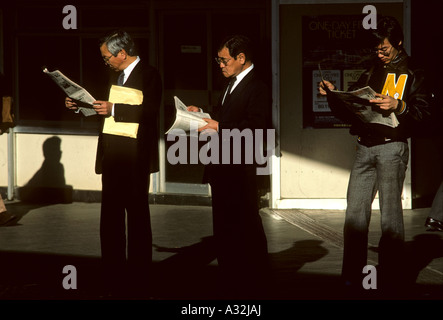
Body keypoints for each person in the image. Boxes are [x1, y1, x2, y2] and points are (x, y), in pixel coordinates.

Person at [319, 16, 432, 295]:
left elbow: (426, 114)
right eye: (377, 49)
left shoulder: (414, 70)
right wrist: (335, 97)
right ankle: (351, 278)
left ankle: (392, 279)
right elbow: (353, 109)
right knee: (354, 216)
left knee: (390, 218)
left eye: (385, 49)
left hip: (391, 147)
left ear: (399, 43)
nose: (380, 54)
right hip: (364, 146)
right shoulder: (371, 69)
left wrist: (399, 104)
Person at [65, 30, 162, 297]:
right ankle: (112, 272)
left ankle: (140, 276)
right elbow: (98, 106)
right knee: (110, 219)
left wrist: (115, 110)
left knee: (138, 218)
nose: (105, 61)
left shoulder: (150, 74)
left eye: (107, 56)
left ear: (122, 53)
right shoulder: (111, 75)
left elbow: (152, 110)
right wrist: (77, 105)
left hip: (135, 158)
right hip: (112, 156)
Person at [187, 35, 271, 298]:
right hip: (223, 165)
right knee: (224, 225)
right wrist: (202, 113)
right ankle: (230, 277)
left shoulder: (257, 86)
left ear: (241, 58)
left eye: (224, 60)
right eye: (219, 60)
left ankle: (255, 279)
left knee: (246, 222)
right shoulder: (231, 84)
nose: (220, 65)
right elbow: (228, 115)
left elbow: (256, 126)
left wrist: (219, 127)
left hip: (240, 167)